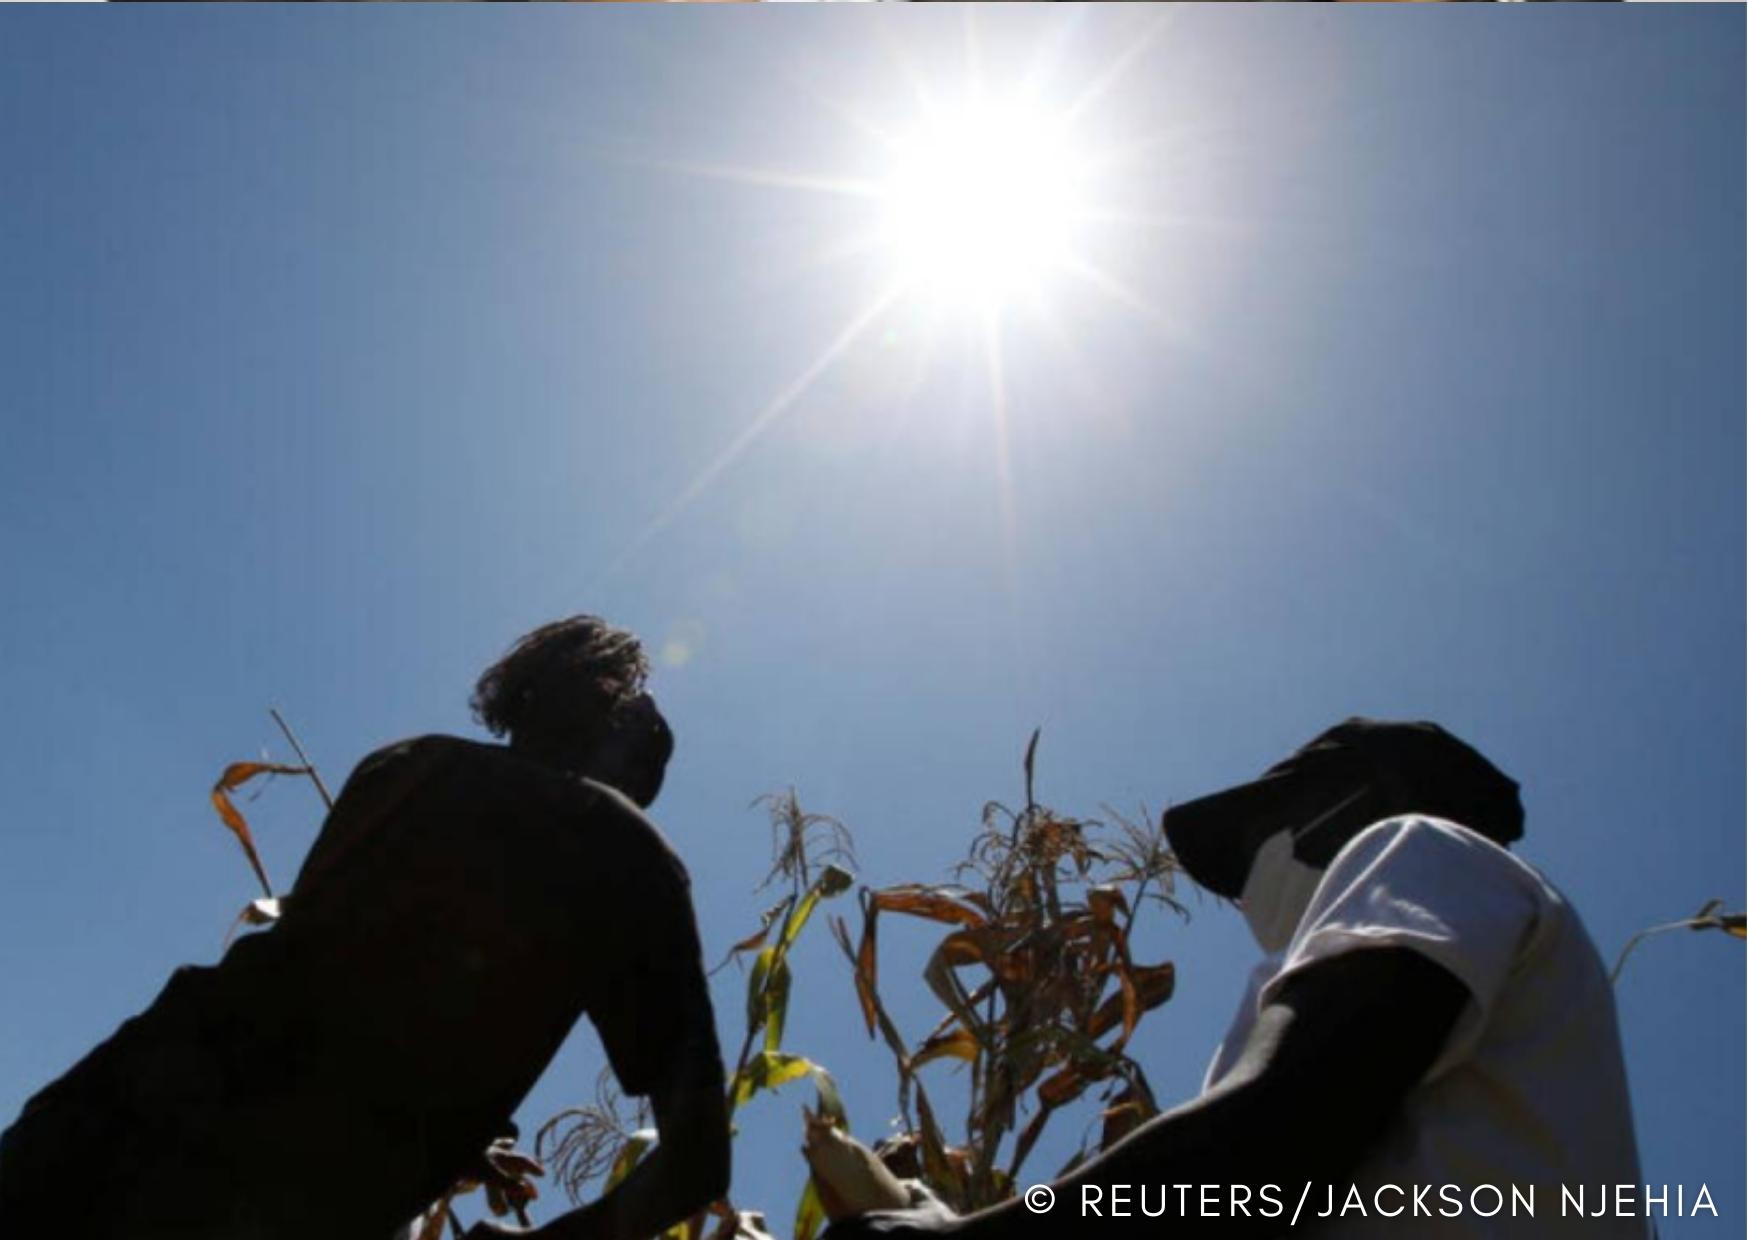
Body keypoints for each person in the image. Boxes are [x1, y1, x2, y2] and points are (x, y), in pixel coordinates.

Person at [0, 616, 730, 1240]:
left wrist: (460, 1127)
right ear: (608, 709)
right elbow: (697, 1163)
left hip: (107, 1110)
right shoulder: (626, 850)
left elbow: (345, 979)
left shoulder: (402, 765)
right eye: (651, 727)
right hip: (271, 1205)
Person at [826, 717, 1646, 1238]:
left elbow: (1293, 1116)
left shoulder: (1421, 844)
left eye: (1265, 824)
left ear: (1359, 798)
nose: (1249, 875)